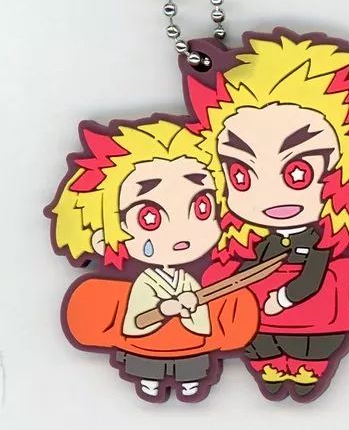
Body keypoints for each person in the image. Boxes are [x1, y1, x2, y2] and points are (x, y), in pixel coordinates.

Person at [186, 32, 349, 400]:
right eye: (242, 175)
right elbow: (246, 268)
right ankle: (270, 364)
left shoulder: (320, 241)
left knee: (311, 345)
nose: (269, 195)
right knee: (259, 339)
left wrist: (284, 298)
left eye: (297, 171)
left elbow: (312, 275)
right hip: (261, 321)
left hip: (313, 319)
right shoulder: (257, 239)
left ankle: (304, 368)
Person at [48, 120, 259, 401]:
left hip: (190, 343)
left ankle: (189, 378)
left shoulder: (189, 278)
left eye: (202, 207)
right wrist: (163, 308)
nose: (181, 231)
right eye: (150, 217)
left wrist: (191, 306)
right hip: (146, 342)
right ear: (105, 232)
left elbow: (202, 320)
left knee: (191, 363)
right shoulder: (144, 281)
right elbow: (136, 318)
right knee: (147, 363)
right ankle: (149, 377)